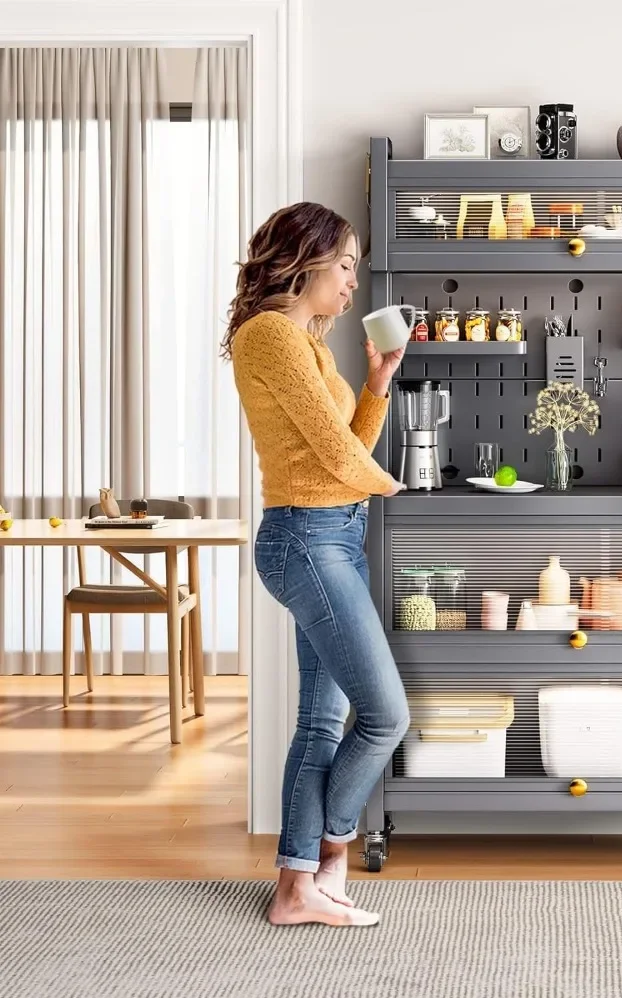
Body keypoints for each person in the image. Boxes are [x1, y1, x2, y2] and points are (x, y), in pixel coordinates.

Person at [223, 202, 409, 928]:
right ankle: (331, 855)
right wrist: (399, 486)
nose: (353, 282)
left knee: (323, 721)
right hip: (306, 538)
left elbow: (347, 442)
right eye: (346, 264)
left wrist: (378, 382)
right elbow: (339, 460)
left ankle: (295, 889)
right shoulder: (269, 335)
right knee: (386, 714)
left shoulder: (312, 344)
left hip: (333, 533)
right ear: (305, 257)